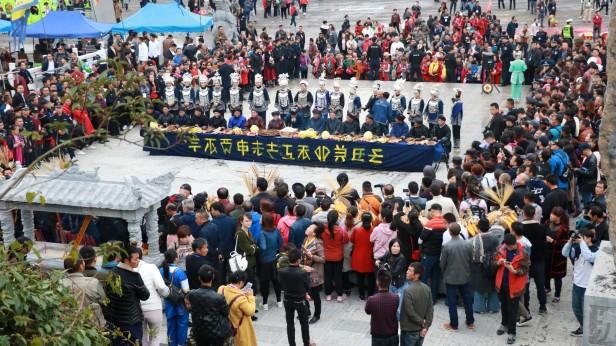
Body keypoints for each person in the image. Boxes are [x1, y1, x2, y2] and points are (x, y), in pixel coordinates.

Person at [103, 246, 150, 346]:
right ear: (126, 260)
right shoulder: (134, 276)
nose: (138, 261)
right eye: (135, 259)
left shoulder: (112, 273)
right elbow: (145, 295)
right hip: (132, 321)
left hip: (115, 320)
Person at [562, 228, 598, 337]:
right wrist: (569, 242)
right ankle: (584, 327)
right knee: (576, 308)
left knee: (587, 310)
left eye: (583, 238)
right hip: (577, 283)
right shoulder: (577, 248)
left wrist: (582, 243)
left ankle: (589, 330)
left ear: (589, 238)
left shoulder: (596, 250)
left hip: (589, 286)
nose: (580, 239)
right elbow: (564, 253)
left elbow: (589, 257)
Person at [185, 264, 233, 346]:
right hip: (215, 333)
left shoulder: (192, 294)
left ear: (199, 278)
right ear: (213, 277)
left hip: (198, 331)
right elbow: (226, 313)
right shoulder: (219, 297)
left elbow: (188, 307)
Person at [495, 234, 531, 345]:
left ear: (515, 243)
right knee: (503, 306)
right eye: (507, 246)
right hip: (502, 285)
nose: (508, 248)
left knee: (513, 310)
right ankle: (504, 324)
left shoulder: (523, 253)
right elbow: (493, 263)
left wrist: (514, 270)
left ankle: (512, 332)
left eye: (510, 247)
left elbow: (525, 269)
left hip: (515, 287)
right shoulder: (501, 249)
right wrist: (498, 263)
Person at [440, 223, 475, 331]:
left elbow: (442, 263)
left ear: (450, 232)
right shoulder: (468, 244)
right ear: (460, 232)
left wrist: (444, 272)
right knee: (467, 300)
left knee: (452, 301)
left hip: (451, 277)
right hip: (465, 276)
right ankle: (470, 322)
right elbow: (471, 260)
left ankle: (454, 324)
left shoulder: (446, 246)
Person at [278, 248, 315, 346]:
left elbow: (281, 284)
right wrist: (306, 293)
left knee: (290, 324)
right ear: (299, 260)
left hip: (287, 299)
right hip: (300, 301)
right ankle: (306, 343)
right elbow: (308, 287)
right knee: (304, 324)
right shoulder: (302, 273)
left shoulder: (282, 271)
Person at [61, 256, 107, 328]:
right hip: (93, 325)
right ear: (81, 266)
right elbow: (104, 301)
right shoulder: (93, 282)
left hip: (67, 324)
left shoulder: (60, 283)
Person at [136, 250, 170, 346]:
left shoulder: (129, 270)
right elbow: (161, 287)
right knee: (155, 338)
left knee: (142, 337)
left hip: (137, 309)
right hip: (153, 307)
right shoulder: (151, 267)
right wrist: (167, 294)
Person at [218, 270, 258, 346]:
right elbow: (251, 311)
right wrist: (250, 297)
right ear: (241, 282)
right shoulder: (240, 299)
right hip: (240, 328)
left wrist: (240, 292)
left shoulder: (221, 289)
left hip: (227, 325)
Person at [521, 204, 548, 314]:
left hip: (525, 260)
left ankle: (526, 308)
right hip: (539, 260)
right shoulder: (541, 227)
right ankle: (542, 306)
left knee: (525, 285)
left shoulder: (520, 227)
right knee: (540, 284)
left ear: (524, 213)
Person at [160, 249, 190, 346]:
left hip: (168, 303)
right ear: (176, 258)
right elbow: (186, 291)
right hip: (180, 304)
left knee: (171, 328)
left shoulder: (160, 271)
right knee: (181, 327)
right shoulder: (180, 272)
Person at [399, 262, 434, 346]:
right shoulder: (427, 288)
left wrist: (423, 323)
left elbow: (409, 312)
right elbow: (430, 309)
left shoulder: (408, 291)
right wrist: (426, 326)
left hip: (409, 331)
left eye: (410, 270)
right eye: (407, 269)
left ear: (417, 275)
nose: (407, 272)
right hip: (421, 331)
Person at [419, 203, 448, 303]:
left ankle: (422, 299)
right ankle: (433, 299)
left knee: (424, 276)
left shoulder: (430, 224)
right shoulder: (445, 223)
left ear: (434, 211)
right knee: (435, 276)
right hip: (440, 254)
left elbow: (421, 239)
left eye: (430, 211)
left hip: (428, 254)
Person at [365, 269, 400, 346]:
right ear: (390, 282)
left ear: (377, 282)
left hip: (378, 335)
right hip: (392, 334)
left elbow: (367, 311)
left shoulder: (371, 299)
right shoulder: (396, 298)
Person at [321, 210, 349, 302]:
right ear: (337, 219)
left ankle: (328, 295)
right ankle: (339, 295)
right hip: (338, 256)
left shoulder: (323, 229)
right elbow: (346, 240)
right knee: (338, 276)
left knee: (328, 275)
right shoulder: (341, 230)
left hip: (327, 256)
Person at [258, 212, 283, 310]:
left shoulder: (262, 232)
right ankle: (279, 301)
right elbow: (280, 243)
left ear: (264, 221)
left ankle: (265, 304)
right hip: (274, 258)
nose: (260, 220)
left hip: (264, 261)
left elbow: (263, 247)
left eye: (261, 218)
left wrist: (256, 246)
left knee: (264, 282)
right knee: (276, 281)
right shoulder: (276, 230)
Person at [302, 223, 325, 324]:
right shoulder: (306, 240)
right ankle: (307, 311)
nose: (307, 228)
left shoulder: (317, 244)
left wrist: (312, 256)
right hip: (305, 270)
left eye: (310, 228)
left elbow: (323, 259)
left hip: (314, 273)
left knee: (315, 296)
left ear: (314, 233)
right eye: (309, 226)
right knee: (304, 292)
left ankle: (317, 315)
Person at [545, 207, 569, 303]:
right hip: (547, 253)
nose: (551, 215)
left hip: (558, 257)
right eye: (551, 213)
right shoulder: (547, 223)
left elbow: (565, 245)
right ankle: (547, 288)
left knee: (557, 277)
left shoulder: (564, 228)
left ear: (558, 217)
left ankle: (557, 294)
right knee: (546, 273)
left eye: (553, 214)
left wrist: (553, 241)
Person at [351, 212, 376, 299]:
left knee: (360, 277)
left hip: (358, 256)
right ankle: (370, 294)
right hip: (370, 257)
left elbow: (352, 240)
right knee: (370, 277)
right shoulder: (374, 230)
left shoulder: (356, 230)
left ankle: (361, 294)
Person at [236, 213, 259, 293]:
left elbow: (253, 246)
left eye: (250, 221)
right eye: (246, 221)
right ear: (241, 222)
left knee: (250, 282)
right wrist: (254, 247)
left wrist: (253, 247)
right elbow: (248, 249)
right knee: (248, 282)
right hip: (244, 263)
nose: (249, 223)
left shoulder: (248, 231)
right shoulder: (240, 233)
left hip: (250, 262)